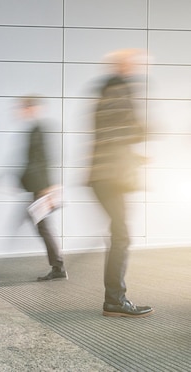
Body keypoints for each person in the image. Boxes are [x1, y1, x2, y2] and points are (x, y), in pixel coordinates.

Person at [88, 49, 153, 318]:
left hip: (105, 175)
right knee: (121, 236)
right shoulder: (118, 91)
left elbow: (109, 134)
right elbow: (126, 130)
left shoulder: (105, 92)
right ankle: (114, 299)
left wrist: (134, 154)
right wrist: (143, 130)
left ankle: (114, 297)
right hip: (111, 177)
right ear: (124, 66)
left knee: (118, 234)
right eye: (134, 64)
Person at [17, 96, 67, 281]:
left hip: (41, 189)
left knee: (43, 227)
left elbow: (44, 159)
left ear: (32, 108)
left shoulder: (38, 130)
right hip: (37, 188)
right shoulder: (34, 130)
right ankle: (58, 267)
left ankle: (58, 267)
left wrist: (48, 188)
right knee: (42, 226)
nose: (21, 111)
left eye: (24, 107)